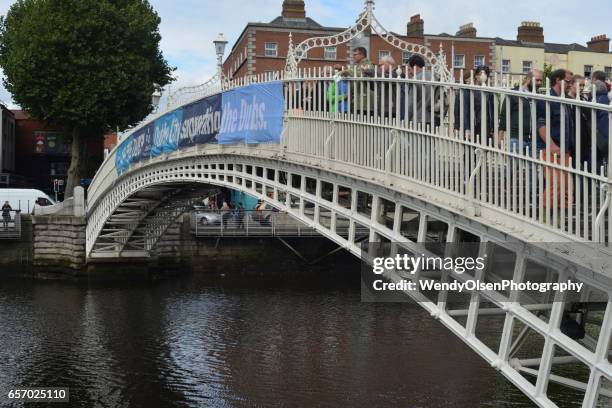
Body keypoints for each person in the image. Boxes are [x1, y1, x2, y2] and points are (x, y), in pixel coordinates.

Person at [536, 69, 575, 209]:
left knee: (566, 186)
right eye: (568, 81)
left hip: (565, 149)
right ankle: (547, 214)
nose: (570, 85)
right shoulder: (547, 99)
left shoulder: (564, 100)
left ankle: (563, 214)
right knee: (555, 184)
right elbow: (541, 125)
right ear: (558, 80)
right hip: (552, 149)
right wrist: (552, 146)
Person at [498, 69, 543, 153]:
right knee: (514, 165)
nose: (540, 83)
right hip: (516, 138)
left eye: (541, 80)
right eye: (537, 80)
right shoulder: (513, 94)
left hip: (533, 140)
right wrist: (500, 136)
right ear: (528, 79)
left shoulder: (539, 97)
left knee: (531, 166)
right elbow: (504, 115)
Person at [454, 65, 495, 142]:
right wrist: (466, 127)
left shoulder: (490, 92)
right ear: (476, 76)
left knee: (485, 149)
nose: (483, 76)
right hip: (473, 125)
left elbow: (492, 111)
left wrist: (492, 128)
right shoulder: (468, 91)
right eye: (480, 74)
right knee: (470, 151)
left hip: (485, 126)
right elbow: (464, 110)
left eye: (485, 74)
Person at [340, 47, 374, 117]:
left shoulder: (368, 64)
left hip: (365, 102)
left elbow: (360, 75)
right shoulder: (356, 66)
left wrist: (347, 71)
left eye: (355, 54)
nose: (353, 57)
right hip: (356, 101)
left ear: (362, 55)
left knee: (363, 124)